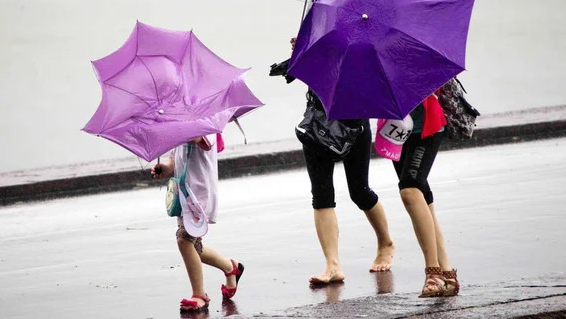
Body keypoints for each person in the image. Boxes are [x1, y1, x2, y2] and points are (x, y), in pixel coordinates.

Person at [273, 38, 395, 285]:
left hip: (353, 123)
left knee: (359, 192)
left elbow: (369, 80)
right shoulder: (317, 25)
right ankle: (333, 265)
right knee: (321, 195)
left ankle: (386, 242)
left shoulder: (361, 39)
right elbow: (313, 78)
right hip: (317, 120)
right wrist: (301, 53)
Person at [152, 135, 244, 313]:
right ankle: (230, 267)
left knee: (184, 240)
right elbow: (175, 158)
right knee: (194, 247)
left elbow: (197, 138)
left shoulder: (206, 120)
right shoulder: (180, 124)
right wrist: (166, 168)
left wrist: (177, 126)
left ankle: (199, 294)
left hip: (200, 193)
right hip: (184, 194)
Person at [389, 94, 460, 297]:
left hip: (426, 126)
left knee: (410, 190)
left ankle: (433, 272)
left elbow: (436, 78)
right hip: (396, 130)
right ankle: (447, 273)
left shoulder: (419, 60)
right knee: (420, 197)